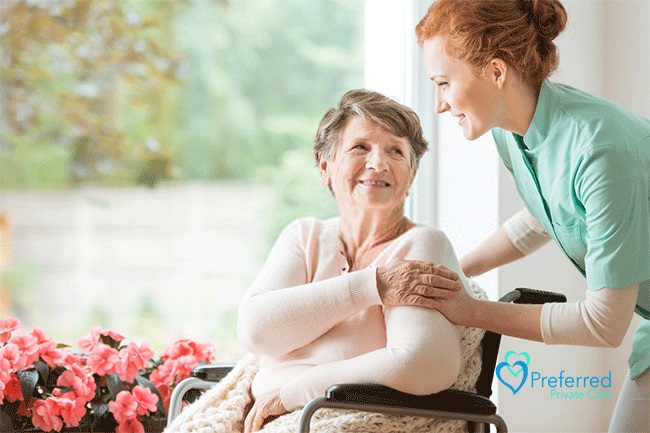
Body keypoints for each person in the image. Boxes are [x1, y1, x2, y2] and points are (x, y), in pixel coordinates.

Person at [407, 1, 649, 432]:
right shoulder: (512, 133)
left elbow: (604, 323)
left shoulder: (600, 151)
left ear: (496, 72)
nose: (440, 104)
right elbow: (546, 215)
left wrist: (470, 310)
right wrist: (453, 271)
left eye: (444, 83)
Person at [236, 89, 483, 433]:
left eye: (396, 151)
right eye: (360, 147)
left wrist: (293, 394)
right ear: (326, 167)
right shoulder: (304, 236)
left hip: (339, 422)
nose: (378, 163)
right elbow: (255, 331)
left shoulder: (422, 245)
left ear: (411, 176)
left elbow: (422, 364)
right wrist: (373, 286)